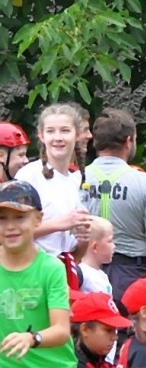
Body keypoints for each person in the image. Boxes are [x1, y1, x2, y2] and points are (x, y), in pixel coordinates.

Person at [81, 108, 146, 304]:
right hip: (132, 272)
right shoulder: (144, 182)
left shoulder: (77, 178)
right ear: (128, 141)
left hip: (86, 269)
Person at [0, 181, 76, 368]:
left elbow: (61, 330)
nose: (10, 227)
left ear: (38, 219)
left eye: (20, 217)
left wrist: (32, 338)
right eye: (2, 219)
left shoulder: (51, 269)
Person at [15, 104, 91, 258]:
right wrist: (59, 224)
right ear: (41, 136)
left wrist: (84, 240)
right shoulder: (28, 176)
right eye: (50, 131)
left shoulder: (76, 180)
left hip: (62, 273)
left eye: (65, 130)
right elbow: (12, 232)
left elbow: (76, 256)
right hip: (31, 272)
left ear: (77, 135)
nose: (58, 138)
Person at [71, 291, 130, 368]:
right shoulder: (71, 367)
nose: (115, 337)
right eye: (108, 330)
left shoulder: (100, 363)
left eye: (115, 330)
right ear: (84, 329)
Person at [73, 217, 115, 297]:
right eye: (110, 241)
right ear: (95, 247)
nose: (114, 246)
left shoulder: (102, 275)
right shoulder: (82, 274)